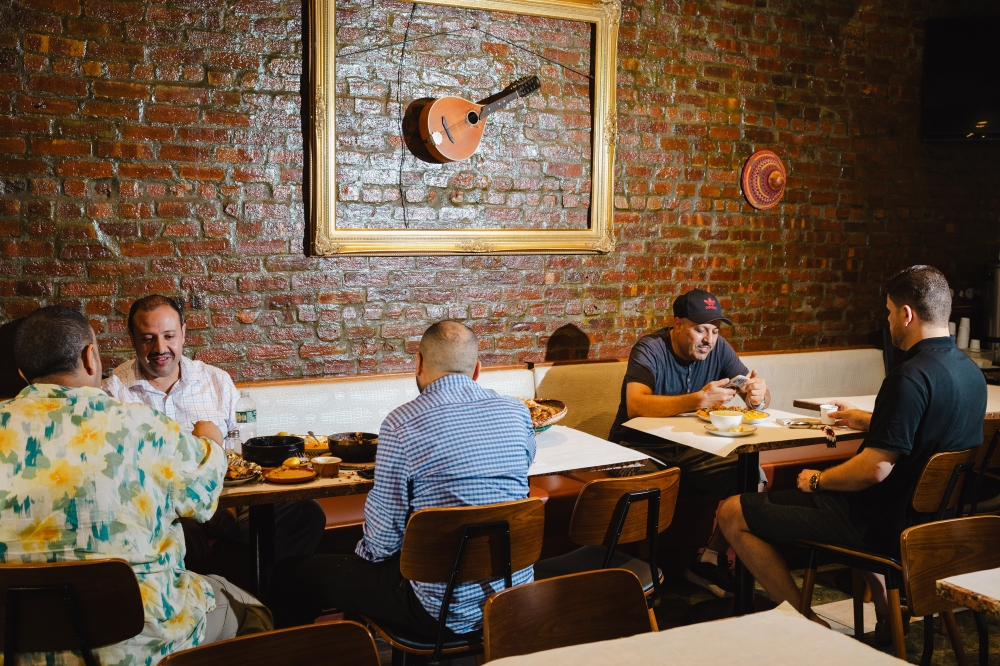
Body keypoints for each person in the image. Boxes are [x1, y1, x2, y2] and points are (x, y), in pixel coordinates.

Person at [718, 265, 986, 640]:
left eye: (890, 311)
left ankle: (806, 623)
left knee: (732, 511)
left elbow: (874, 470)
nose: (889, 319)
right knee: (850, 493)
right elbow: (924, 428)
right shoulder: (971, 374)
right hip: (931, 524)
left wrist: (818, 480)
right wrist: (865, 420)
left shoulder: (908, 376)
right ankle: (887, 619)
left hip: (879, 527)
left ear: (907, 315)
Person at [0, 306, 271, 665]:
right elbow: (205, 497)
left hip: (17, 644)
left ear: (23, 374)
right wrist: (211, 440)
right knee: (254, 610)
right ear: (90, 357)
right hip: (141, 643)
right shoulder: (141, 426)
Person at [268, 320, 536, 638]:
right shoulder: (518, 413)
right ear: (477, 370)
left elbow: (381, 545)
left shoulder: (401, 423)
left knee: (289, 573)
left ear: (418, 363)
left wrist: (365, 561)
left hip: (435, 611)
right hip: (510, 599)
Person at [103, 295, 326, 566]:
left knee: (307, 512)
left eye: (169, 336)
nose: (160, 348)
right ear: (132, 338)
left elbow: (245, 453)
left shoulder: (216, 381)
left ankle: (271, 599)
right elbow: (117, 473)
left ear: (184, 334)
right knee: (186, 532)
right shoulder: (113, 391)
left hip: (230, 502)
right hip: (163, 510)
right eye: (148, 338)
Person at [608, 288, 771, 598]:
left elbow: (750, 390)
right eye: (700, 329)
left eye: (714, 330)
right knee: (649, 485)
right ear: (678, 324)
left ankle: (709, 559)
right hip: (637, 447)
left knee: (751, 477)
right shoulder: (650, 348)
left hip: (694, 445)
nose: (708, 338)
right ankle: (640, 578)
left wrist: (759, 396)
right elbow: (636, 405)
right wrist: (698, 399)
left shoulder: (719, 348)